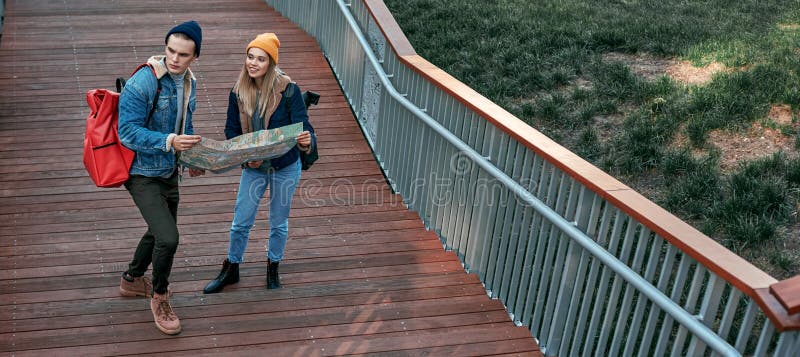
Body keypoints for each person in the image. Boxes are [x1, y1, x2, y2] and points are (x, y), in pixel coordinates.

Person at [203, 33, 316, 294]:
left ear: (271, 63)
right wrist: (246, 157)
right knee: (241, 221)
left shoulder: (289, 90)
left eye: (261, 59)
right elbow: (232, 130)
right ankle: (231, 268)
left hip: (285, 167)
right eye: (250, 57)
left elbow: (304, 125)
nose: (253, 63)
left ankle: (273, 266)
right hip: (254, 168)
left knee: (279, 222)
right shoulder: (238, 91)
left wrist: (305, 138)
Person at [117, 20, 206, 335]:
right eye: (170, 50)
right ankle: (160, 295)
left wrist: (191, 158)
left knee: (158, 232)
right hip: (141, 172)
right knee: (169, 237)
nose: (174, 59)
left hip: (170, 170)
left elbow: (186, 123)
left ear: (195, 56)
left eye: (183, 54)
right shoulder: (143, 82)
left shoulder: (189, 83)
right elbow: (126, 132)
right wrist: (169, 142)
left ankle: (131, 280)